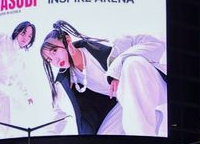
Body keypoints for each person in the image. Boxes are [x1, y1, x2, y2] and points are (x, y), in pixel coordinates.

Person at [39, 20, 167, 135]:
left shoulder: (109, 45)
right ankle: (150, 118)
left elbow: (156, 43)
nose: (54, 60)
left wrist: (117, 66)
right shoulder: (64, 82)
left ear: (67, 41)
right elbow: (56, 117)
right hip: (123, 102)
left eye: (54, 51)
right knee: (102, 140)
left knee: (131, 64)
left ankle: (143, 141)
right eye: (49, 59)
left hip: (152, 84)